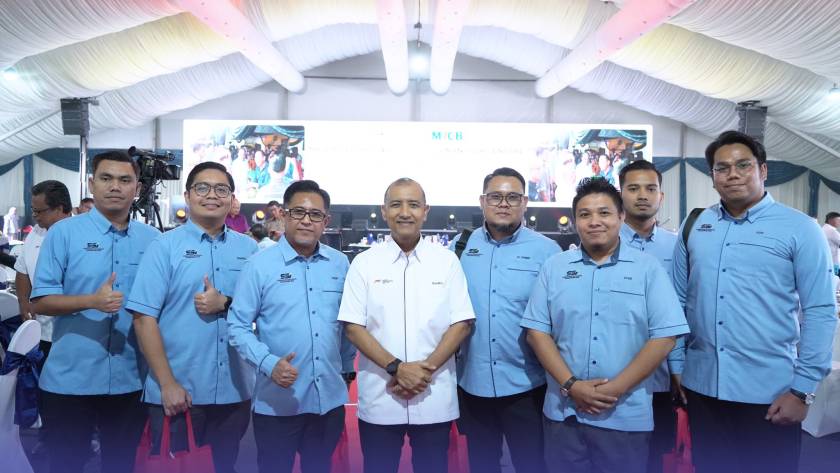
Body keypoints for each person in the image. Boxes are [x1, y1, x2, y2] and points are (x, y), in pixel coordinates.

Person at [670, 130, 838, 473]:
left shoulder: (800, 228)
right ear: (713, 176)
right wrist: (676, 365)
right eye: (722, 168)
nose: (732, 174)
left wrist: (802, 391)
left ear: (763, 170)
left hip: (771, 395)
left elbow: (821, 311)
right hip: (702, 388)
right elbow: (677, 301)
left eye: (743, 165)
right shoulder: (696, 224)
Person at [522, 178, 688, 473]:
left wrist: (613, 390)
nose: (594, 221)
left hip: (625, 416)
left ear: (621, 216)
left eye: (604, 213)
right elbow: (537, 333)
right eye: (585, 214)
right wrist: (572, 386)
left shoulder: (647, 269)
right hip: (564, 414)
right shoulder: (555, 267)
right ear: (575, 221)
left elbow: (664, 337)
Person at [30, 150, 161, 473]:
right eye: (106, 178)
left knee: (121, 465)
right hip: (70, 380)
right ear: (91, 184)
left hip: (131, 381)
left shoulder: (154, 240)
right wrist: (91, 301)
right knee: (66, 465)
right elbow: (41, 301)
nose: (115, 186)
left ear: (137, 188)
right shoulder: (64, 233)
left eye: (124, 180)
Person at [127, 162, 258, 473]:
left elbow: (261, 310)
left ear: (232, 198)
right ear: (187, 196)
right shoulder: (164, 246)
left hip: (235, 390)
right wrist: (167, 383)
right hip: (180, 391)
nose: (212, 195)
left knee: (226, 466)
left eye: (221, 189)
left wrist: (225, 302)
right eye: (202, 188)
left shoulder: (249, 249)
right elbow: (143, 318)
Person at [338, 178, 475, 473]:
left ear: (425, 211)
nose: (404, 212)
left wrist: (422, 371)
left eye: (413, 205)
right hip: (381, 395)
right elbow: (353, 326)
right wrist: (397, 368)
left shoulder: (447, 262)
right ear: (384, 211)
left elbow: (462, 323)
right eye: (396, 204)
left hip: (433, 394)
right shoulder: (364, 263)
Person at [228, 180, 355, 473]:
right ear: (284, 215)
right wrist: (268, 363)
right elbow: (237, 325)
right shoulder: (259, 265)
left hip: (328, 403)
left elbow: (347, 324)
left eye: (315, 215)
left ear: (326, 221)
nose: (306, 221)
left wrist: (347, 369)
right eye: (298, 212)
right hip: (278, 403)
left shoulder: (340, 264)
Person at [453, 167, 559, 473]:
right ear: (482, 201)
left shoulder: (547, 251)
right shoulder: (460, 247)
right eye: (495, 197)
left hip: (527, 385)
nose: (503, 203)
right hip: (472, 384)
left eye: (512, 197)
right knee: (482, 465)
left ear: (524, 202)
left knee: (532, 464)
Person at [617, 159, 679, 473]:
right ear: (620, 194)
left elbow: (684, 307)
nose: (642, 195)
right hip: (613, 374)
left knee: (656, 457)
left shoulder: (678, 246)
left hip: (662, 377)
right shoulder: (602, 241)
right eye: (633, 188)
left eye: (650, 188)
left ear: (661, 196)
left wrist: (679, 367)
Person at [13, 180, 73, 454]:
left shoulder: (79, 234)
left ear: (60, 208)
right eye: (33, 210)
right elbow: (22, 270)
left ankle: (83, 441)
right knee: (46, 391)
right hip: (43, 332)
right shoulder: (36, 233)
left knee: (72, 394)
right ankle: (50, 439)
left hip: (72, 332)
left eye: (40, 211)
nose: (35, 217)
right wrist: (23, 301)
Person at [822, 211, 840, 275]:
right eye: (838, 220)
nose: (839, 222)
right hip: (833, 263)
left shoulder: (823, 229)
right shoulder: (831, 231)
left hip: (826, 262)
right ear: (830, 220)